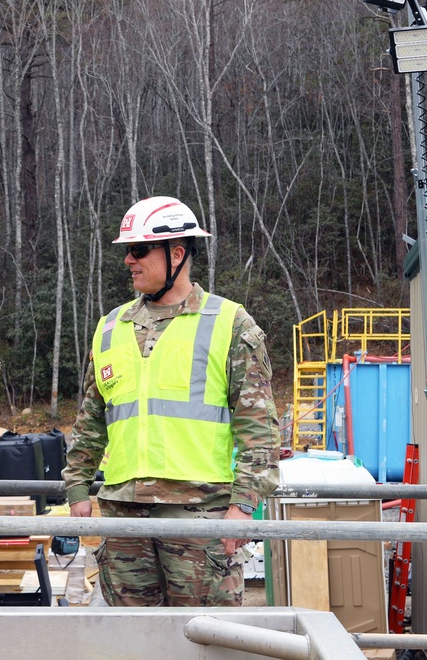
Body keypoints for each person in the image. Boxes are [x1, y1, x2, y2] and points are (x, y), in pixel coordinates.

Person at [62, 196, 280, 607]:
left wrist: (243, 508)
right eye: (128, 251)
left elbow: (259, 429)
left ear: (176, 254)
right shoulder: (110, 327)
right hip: (124, 517)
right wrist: (76, 488)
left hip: (199, 515)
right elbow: (91, 419)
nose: (129, 260)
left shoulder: (230, 323)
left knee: (207, 641)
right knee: (135, 644)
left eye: (139, 250)